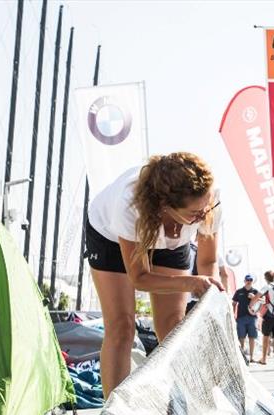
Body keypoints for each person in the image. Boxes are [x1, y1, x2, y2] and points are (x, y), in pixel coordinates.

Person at [86, 152, 223, 398]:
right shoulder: (128, 206)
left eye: (206, 207)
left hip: (170, 245)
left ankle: (180, 406)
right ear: (165, 206)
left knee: (173, 325)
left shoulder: (207, 201)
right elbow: (139, 278)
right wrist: (192, 282)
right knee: (122, 325)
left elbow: (208, 260)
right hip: (111, 240)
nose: (203, 216)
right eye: (195, 213)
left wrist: (212, 295)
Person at [253, 271, 274, 365]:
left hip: (269, 316)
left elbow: (258, 297)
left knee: (265, 337)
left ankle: (263, 359)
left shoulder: (267, 287)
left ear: (266, 278)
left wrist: (251, 304)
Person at [231, 274, 259, 361]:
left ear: (252, 281)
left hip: (252, 318)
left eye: (250, 280)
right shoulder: (239, 291)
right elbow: (234, 303)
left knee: (252, 338)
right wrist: (233, 315)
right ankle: (242, 358)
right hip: (241, 318)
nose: (249, 281)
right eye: (247, 280)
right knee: (241, 338)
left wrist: (254, 297)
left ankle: (251, 357)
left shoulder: (256, 291)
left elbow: (263, 302)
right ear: (244, 281)